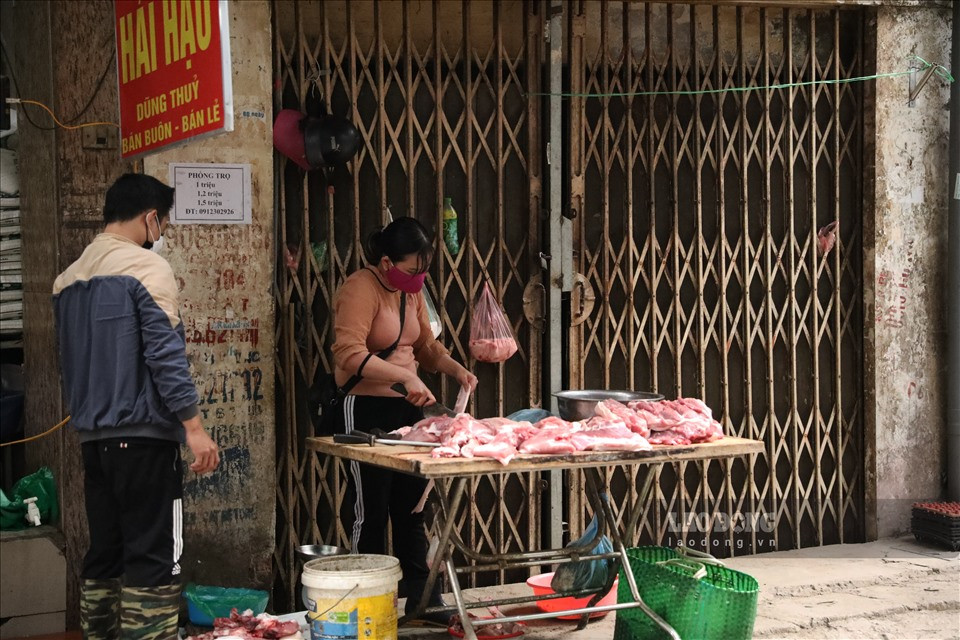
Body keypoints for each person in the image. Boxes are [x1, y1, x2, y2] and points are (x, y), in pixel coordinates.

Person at [52, 173, 219, 640]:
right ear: (150, 218)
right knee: (153, 556)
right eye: (162, 225)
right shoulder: (147, 269)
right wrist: (194, 426)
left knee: (104, 553)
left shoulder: (67, 280)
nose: (161, 235)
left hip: (94, 442)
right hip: (143, 439)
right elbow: (164, 354)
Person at [329, 216, 477, 624]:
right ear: (385, 262)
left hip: (407, 413)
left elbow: (426, 346)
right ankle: (366, 603)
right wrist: (404, 376)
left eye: (422, 272)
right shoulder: (360, 289)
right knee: (370, 510)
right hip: (364, 410)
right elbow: (347, 353)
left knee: (413, 508)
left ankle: (423, 600)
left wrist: (455, 370)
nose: (417, 279)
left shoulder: (409, 291)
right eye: (411, 270)